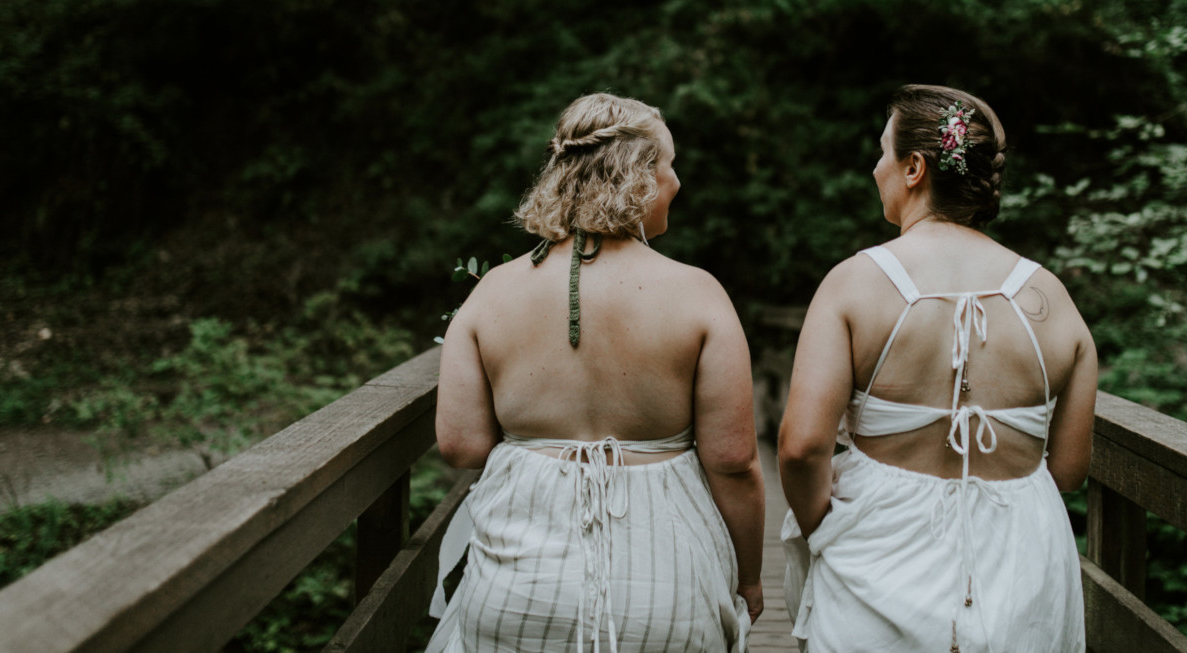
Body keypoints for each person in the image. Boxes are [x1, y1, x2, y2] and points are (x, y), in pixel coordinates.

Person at [430, 92, 765, 653]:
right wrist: (750, 578)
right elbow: (732, 461)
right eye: (668, 163)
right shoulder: (697, 294)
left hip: (519, 578)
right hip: (666, 579)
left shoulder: (492, 294)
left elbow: (461, 445)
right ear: (638, 176)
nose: (676, 182)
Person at [777, 84, 1096, 653]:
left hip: (882, 553)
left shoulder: (854, 283)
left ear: (915, 168)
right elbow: (1069, 469)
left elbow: (802, 447)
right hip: (1022, 563)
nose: (876, 168)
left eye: (883, 153)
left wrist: (823, 529)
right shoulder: (1051, 296)